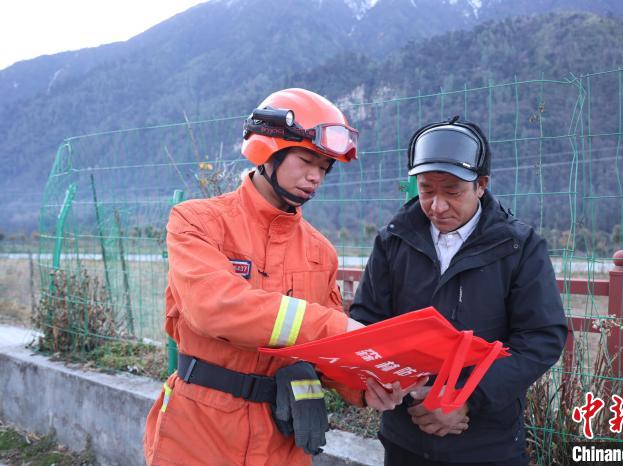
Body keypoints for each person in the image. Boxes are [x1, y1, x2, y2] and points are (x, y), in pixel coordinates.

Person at [143, 88, 408, 466]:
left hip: (281, 439)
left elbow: (327, 355)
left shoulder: (320, 252)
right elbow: (214, 308)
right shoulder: (197, 221)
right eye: (306, 161)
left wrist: (366, 388)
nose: (315, 177)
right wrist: (339, 328)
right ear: (268, 151)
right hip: (198, 431)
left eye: (325, 167)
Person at [350, 117, 568, 465]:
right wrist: (379, 381)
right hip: (405, 435)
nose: (437, 205)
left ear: (481, 185)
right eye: (426, 190)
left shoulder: (518, 247)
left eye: (452, 191)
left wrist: (467, 397)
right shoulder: (394, 240)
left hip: (486, 442)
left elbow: (541, 337)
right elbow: (367, 321)